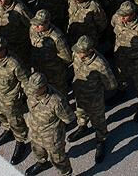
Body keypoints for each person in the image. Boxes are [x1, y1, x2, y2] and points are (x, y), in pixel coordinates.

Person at [68, 35, 116, 163]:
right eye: (77, 51)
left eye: (80, 51)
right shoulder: (76, 54)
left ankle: (101, 139)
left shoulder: (100, 64)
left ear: (90, 51)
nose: (77, 53)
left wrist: (96, 90)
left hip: (94, 98)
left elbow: (111, 84)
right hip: (79, 93)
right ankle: (82, 127)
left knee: (98, 120)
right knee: (80, 113)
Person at [0, 36, 30, 164]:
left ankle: (20, 141)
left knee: (16, 121)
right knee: (1, 115)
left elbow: (25, 81)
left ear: (4, 50)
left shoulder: (14, 64)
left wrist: (28, 98)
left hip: (11, 100)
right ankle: (8, 131)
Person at [23, 72, 75, 176]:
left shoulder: (56, 101)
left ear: (43, 87)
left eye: (36, 89)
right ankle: (42, 163)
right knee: (37, 150)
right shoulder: (31, 91)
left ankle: (66, 173)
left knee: (58, 159)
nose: (32, 92)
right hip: (35, 131)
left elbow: (69, 118)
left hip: (51, 138)